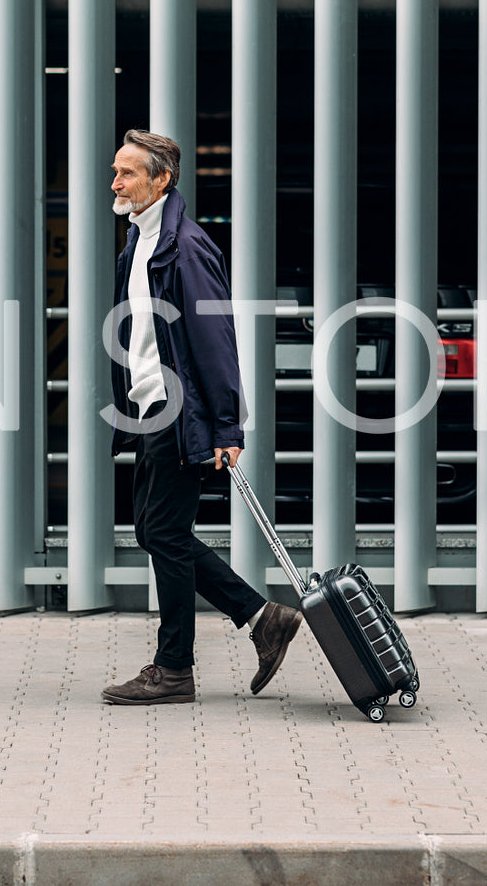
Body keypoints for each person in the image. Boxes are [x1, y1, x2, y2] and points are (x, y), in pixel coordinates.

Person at [101, 129, 303, 706]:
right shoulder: (142, 240)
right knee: (154, 528)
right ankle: (262, 618)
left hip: (177, 408)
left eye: (128, 173)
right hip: (150, 406)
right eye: (115, 171)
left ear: (161, 180)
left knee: (161, 531)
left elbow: (215, 340)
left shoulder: (183, 247)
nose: (115, 182)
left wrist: (225, 428)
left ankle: (174, 669)